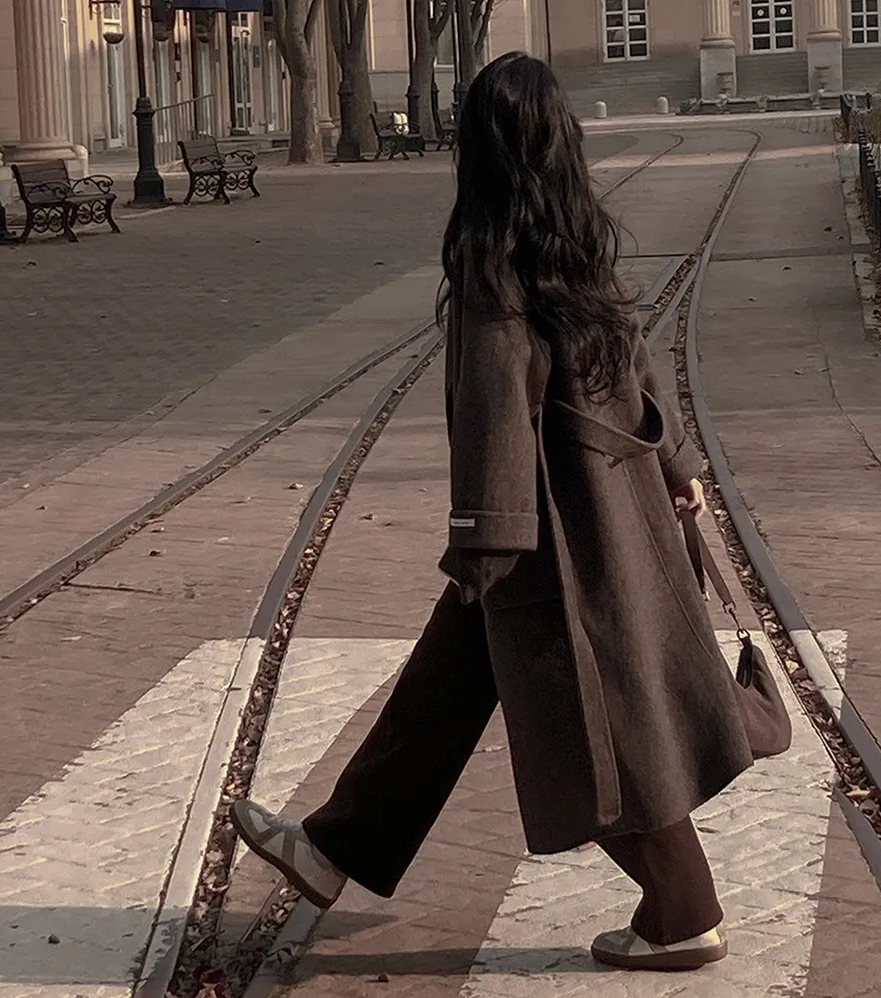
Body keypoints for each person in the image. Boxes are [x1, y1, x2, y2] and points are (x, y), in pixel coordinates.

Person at [231, 53, 754, 972]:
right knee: (451, 684)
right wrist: (676, 467)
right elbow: (636, 368)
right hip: (611, 511)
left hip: (546, 539)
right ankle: (331, 846)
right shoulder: (579, 245)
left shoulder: (493, 265)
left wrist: (485, 540)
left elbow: (495, 413)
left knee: (587, 722)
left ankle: (685, 910)